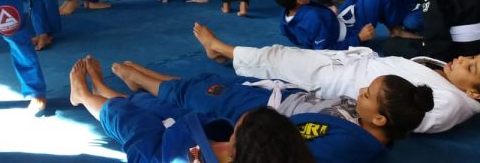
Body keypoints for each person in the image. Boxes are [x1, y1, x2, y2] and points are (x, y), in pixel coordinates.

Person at [193, 23, 480, 135]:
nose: (462, 60)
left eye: (470, 68)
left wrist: (365, 98)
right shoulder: (450, 83)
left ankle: (219, 48)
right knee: (284, 57)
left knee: (280, 58)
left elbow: (401, 113)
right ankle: (227, 55)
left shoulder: (448, 106)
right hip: (358, 67)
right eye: (471, 58)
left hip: (349, 85)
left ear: (475, 94)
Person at [112, 59, 434, 163]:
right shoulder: (362, 126)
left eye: (369, 94)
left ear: (380, 118)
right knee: (206, 84)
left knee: (202, 95)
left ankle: (139, 80)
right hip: (282, 98)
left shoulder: (350, 144)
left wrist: (251, 128)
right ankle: (146, 80)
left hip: (266, 111)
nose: (360, 91)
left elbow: (282, 149)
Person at [69, 57, 315, 163]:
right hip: (190, 128)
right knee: (148, 104)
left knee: (125, 116)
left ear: (236, 147)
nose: (239, 121)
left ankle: (82, 96)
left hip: (161, 153)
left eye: (240, 125)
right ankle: (101, 88)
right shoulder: (274, 153)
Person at [271, 0, 376, 50]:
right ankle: (393, 29)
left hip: (336, 23)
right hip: (351, 34)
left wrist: (328, 17)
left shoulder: (285, 17)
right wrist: (359, 38)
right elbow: (326, 51)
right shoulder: (314, 18)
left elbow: (297, 39)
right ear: (299, 0)